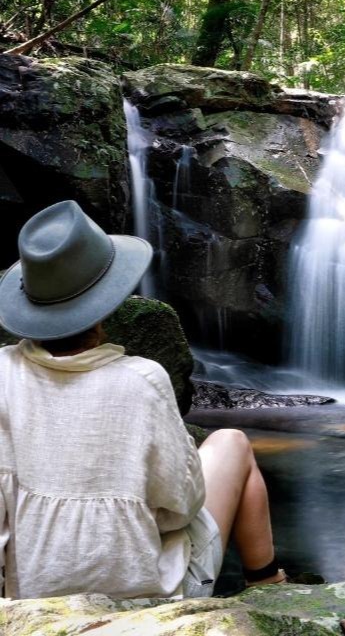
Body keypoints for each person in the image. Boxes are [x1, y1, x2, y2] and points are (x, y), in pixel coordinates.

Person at [0, 200, 285, 600]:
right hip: (148, 599)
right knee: (232, 443)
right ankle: (270, 586)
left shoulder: (3, 375)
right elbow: (181, 507)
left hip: (32, 599)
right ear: (106, 301)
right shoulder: (142, 380)